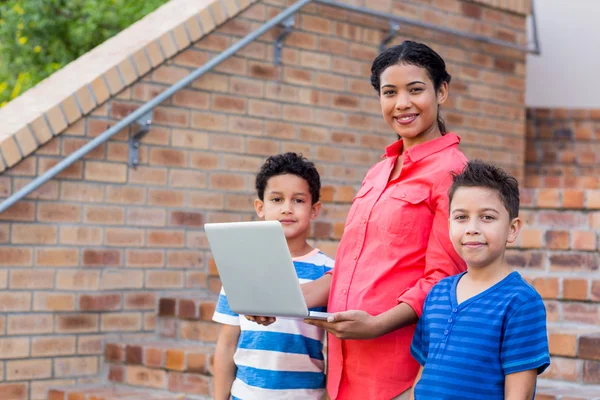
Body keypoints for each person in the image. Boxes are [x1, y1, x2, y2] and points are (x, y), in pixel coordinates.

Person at [299, 40, 469, 400]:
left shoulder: (453, 172)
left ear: (441, 92)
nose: (402, 103)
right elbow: (350, 261)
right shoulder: (377, 172)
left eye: (416, 89)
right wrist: (286, 303)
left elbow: (444, 280)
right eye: (390, 92)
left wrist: (376, 325)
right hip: (342, 369)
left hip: (400, 374)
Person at [409, 160, 550, 399]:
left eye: (487, 217)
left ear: (512, 229)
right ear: (449, 225)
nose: (472, 228)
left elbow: (519, 395)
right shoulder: (437, 294)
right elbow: (423, 377)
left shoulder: (521, 302)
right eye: (461, 217)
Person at [211, 152, 334, 400]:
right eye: (277, 199)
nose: (287, 208)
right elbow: (226, 345)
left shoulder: (328, 271)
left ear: (314, 209)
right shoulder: (242, 268)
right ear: (260, 207)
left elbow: (335, 350)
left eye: (298, 200)